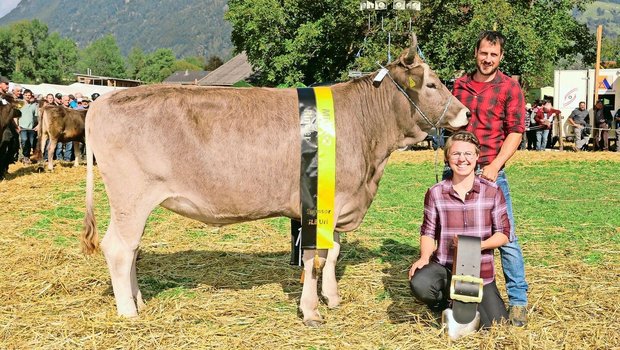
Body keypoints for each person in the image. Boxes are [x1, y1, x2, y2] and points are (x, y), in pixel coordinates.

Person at [450, 30, 528, 326]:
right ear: (476, 53)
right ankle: (458, 297)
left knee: (507, 237)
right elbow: (450, 127)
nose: (488, 59)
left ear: (501, 57)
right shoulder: (459, 85)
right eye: (484, 53)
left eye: (493, 55)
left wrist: (495, 166)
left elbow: (516, 132)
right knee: (456, 235)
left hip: (492, 172)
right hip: (458, 169)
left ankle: (518, 300)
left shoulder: (510, 87)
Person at [409, 131, 510, 329]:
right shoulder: (435, 192)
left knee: (497, 326)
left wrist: (477, 246)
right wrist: (423, 258)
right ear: (447, 157)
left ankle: (468, 304)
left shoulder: (492, 191)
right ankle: (443, 303)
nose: (462, 159)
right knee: (420, 283)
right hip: (446, 268)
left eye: (468, 154)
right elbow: (428, 231)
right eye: (456, 154)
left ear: (477, 157)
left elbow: (504, 234)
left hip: (480, 273)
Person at [16, 89, 39, 164]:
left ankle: (29, 156)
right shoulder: (20, 103)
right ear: (23, 95)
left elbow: (37, 117)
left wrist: (38, 125)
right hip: (22, 127)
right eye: (26, 95)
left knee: (31, 143)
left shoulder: (34, 105)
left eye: (29, 95)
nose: (28, 97)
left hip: (31, 128)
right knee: (24, 141)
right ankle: (26, 157)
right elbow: (16, 116)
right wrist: (17, 125)